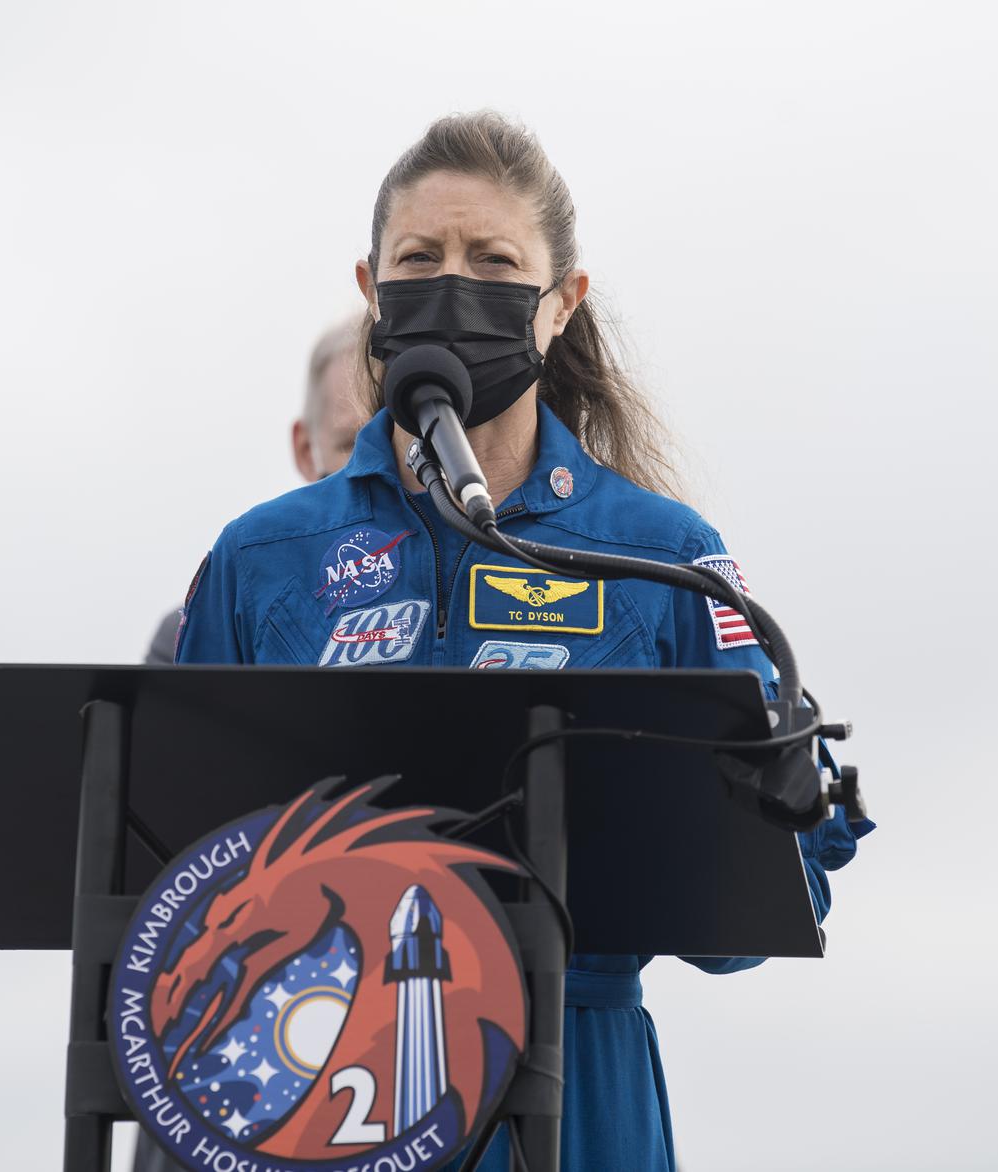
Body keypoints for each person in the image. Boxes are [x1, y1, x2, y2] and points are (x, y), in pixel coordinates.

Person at [175, 112, 873, 1170]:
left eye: (493, 260)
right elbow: (176, 886)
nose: (452, 283)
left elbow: (751, 926)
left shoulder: (661, 555)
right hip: (320, 1073)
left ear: (560, 306)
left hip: (574, 1073)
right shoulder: (265, 555)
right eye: (420, 258)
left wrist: (759, 819)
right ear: (371, 290)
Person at [143, 315, 364, 664]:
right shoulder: (194, 636)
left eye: (400, 441)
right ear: (306, 450)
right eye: (357, 444)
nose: (381, 461)